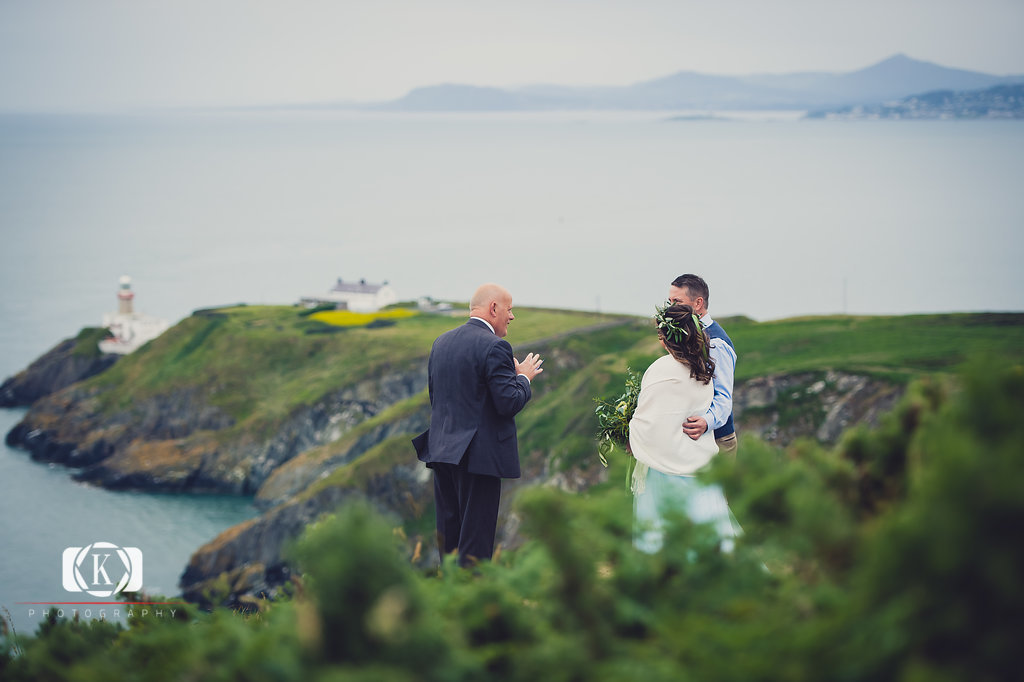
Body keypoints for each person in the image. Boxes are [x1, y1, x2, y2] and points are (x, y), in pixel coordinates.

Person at [412, 283, 544, 566]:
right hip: (478, 458)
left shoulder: (441, 342)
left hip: (442, 451)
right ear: (493, 308)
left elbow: (437, 398)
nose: (512, 317)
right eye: (509, 310)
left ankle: (451, 600)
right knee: (475, 542)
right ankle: (473, 604)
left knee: (449, 540)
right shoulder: (496, 347)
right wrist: (523, 377)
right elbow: (507, 403)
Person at [628, 302, 740, 553]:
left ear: (665, 338)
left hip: (664, 468)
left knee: (662, 535)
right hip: (700, 462)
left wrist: (630, 432)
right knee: (708, 532)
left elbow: (645, 421)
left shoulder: (661, 370)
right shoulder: (704, 368)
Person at [667, 274, 738, 457]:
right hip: (694, 440)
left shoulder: (716, 343)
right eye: (669, 301)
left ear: (698, 303)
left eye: (677, 301)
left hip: (718, 440)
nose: (671, 308)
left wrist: (706, 422)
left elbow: (724, 397)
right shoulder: (687, 334)